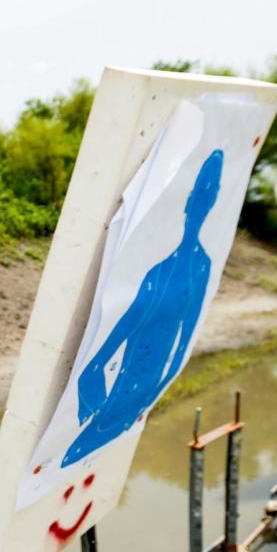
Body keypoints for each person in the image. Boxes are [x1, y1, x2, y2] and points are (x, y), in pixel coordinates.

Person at [62, 149, 223, 468]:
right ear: (188, 201)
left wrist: (158, 387)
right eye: (196, 194)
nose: (198, 203)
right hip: (127, 367)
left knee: (94, 447)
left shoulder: (201, 266)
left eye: (207, 194)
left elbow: (184, 336)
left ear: (212, 203)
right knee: (79, 450)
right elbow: (129, 320)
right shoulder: (159, 267)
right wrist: (94, 366)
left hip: (149, 377)